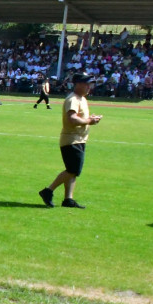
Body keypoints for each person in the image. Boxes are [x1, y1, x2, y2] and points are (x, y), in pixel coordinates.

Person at [39, 74, 102, 209]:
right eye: (87, 84)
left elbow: (79, 118)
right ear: (78, 84)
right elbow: (72, 119)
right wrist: (90, 121)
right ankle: (48, 191)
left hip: (78, 139)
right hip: (71, 139)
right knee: (73, 170)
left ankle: (68, 199)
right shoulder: (73, 99)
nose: (89, 87)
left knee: (72, 171)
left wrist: (90, 118)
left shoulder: (81, 99)